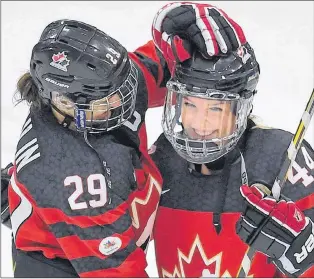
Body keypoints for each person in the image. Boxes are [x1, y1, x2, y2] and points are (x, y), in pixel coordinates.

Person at [1, 2, 246, 277]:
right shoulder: (75, 176)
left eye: (123, 83)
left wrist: (186, 35)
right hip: (68, 266)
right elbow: (117, 272)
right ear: (68, 105)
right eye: (109, 100)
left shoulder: (106, 87)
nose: (124, 98)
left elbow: (166, 67)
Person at [149, 41, 314, 277]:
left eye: (215, 109)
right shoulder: (163, 157)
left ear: (241, 108)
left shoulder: (280, 158)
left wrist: (302, 253)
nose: (198, 123)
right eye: (189, 104)